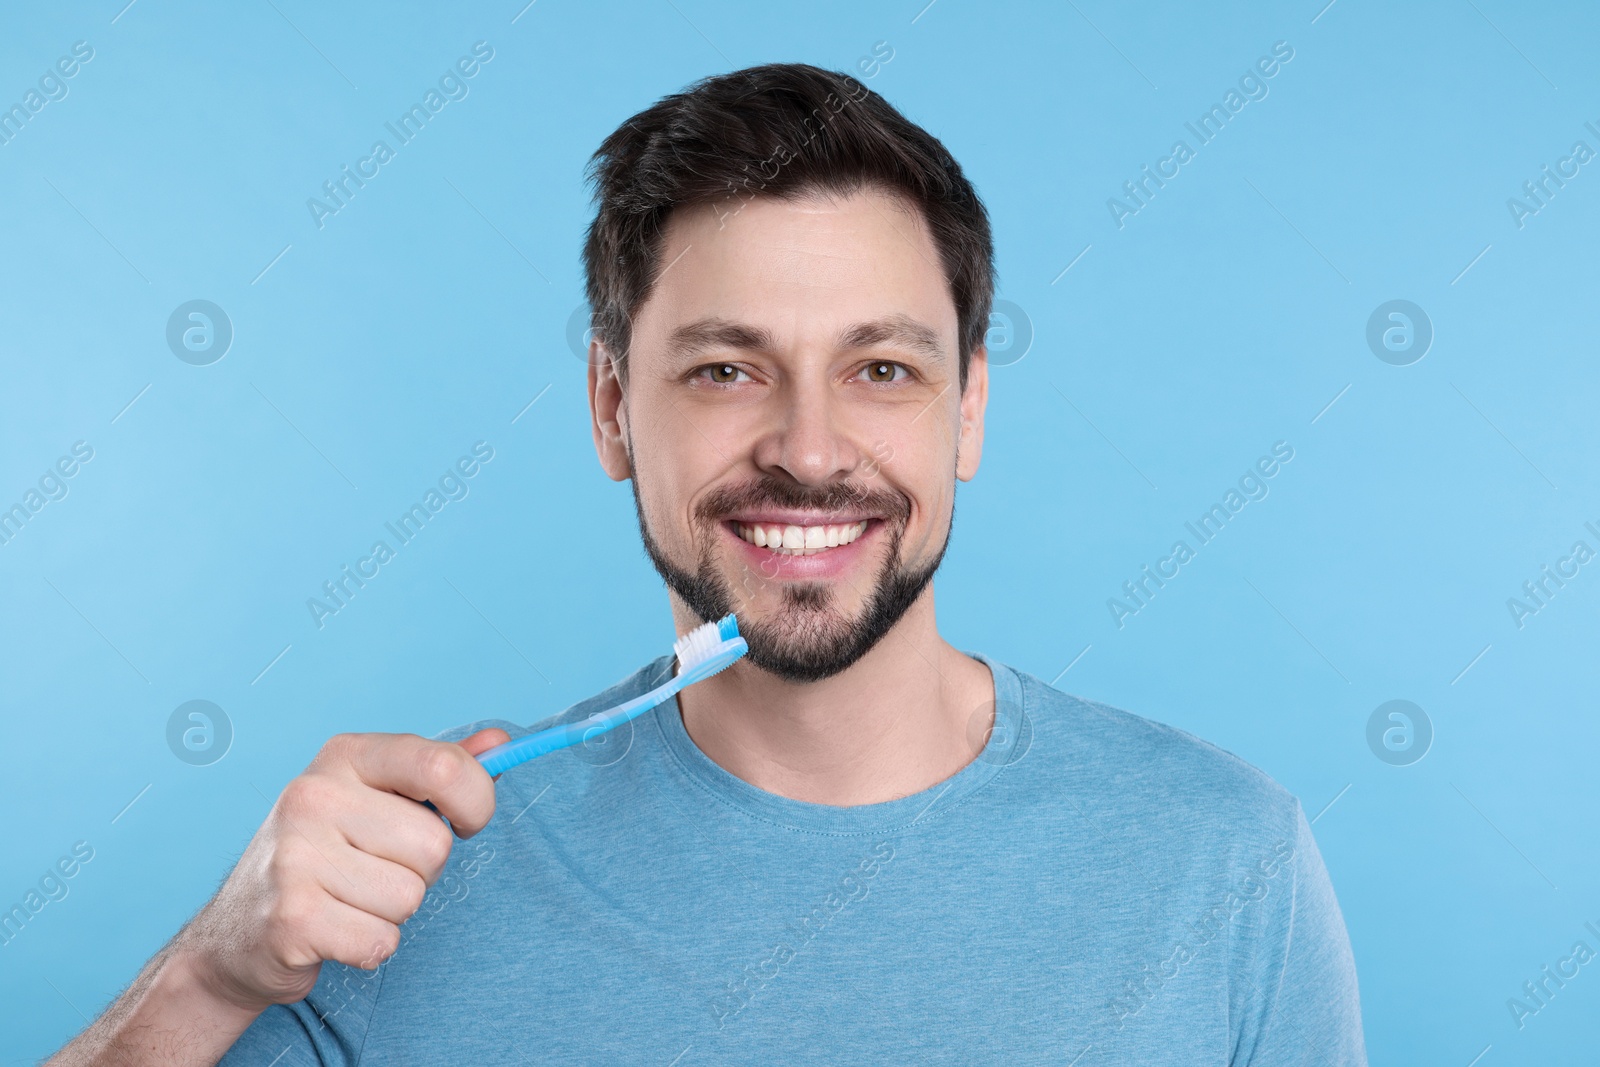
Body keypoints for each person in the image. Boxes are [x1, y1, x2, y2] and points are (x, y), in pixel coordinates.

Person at [48, 62, 1365, 1065]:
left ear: (969, 410)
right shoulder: (405, 876)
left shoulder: (1226, 862)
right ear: (614, 409)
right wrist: (208, 984)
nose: (808, 448)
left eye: (883, 370)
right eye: (728, 369)